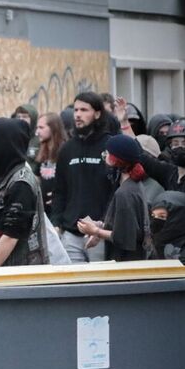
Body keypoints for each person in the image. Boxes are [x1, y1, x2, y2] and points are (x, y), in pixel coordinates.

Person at [51, 92, 114, 263]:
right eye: (76, 109)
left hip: (100, 233)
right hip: (70, 233)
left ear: (97, 113)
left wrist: (103, 226)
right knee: (74, 288)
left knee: (101, 287)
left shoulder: (109, 145)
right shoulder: (67, 149)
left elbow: (115, 191)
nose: (78, 114)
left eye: (84, 110)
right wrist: (56, 223)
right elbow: (59, 191)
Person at [0, 118, 48, 267]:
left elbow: (11, 235)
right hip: (2, 270)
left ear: (3, 144)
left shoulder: (21, 183)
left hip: (18, 273)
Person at [75, 135, 151, 262]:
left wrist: (95, 231)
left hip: (126, 267)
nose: (104, 158)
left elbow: (123, 238)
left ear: (116, 161)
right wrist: (102, 225)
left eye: (107, 154)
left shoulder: (124, 193)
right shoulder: (135, 186)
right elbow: (130, 227)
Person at [34, 112, 67, 213]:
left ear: (53, 128)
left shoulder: (65, 151)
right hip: (43, 208)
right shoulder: (42, 151)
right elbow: (37, 177)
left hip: (59, 210)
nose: (37, 132)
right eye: (37, 128)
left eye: (41, 128)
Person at [150, 191, 185, 264]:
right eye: (153, 216)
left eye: (162, 216)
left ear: (178, 217)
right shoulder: (153, 244)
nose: (156, 221)